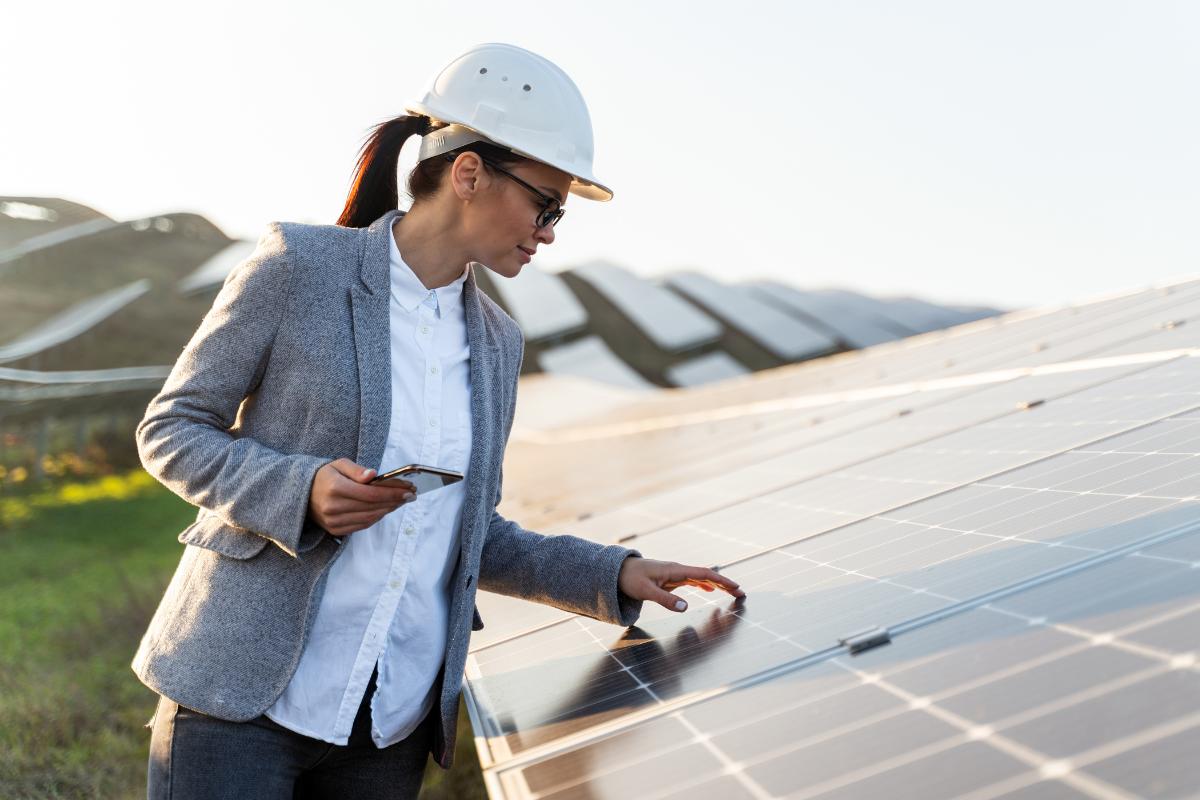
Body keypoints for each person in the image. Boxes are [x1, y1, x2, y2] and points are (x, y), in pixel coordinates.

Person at [133, 42, 744, 799]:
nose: (551, 229)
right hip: (240, 705)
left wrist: (611, 572)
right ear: (468, 173)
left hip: (388, 726)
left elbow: (467, 531)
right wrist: (302, 489)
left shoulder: (497, 343)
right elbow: (171, 427)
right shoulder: (299, 267)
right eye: (545, 204)